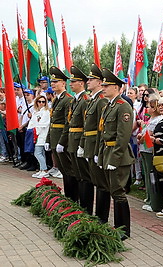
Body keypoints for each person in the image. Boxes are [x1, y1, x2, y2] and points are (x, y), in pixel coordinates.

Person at [97, 68, 134, 240]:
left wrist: (115, 157)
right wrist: (100, 154)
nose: (103, 87)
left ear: (117, 87)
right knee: (111, 189)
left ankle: (123, 230)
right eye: (103, 85)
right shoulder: (109, 106)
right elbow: (103, 133)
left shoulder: (123, 106)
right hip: (107, 151)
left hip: (117, 154)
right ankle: (117, 226)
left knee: (118, 191)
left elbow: (123, 135)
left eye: (107, 85)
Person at [83, 63, 110, 223]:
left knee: (101, 184)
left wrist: (99, 150)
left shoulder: (101, 101)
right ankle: (96, 214)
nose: (88, 81)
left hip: (96, 146)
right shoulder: (94, 100)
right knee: (95, 181)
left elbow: (102, 128)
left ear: (99, 82)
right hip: (89, 144)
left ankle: (102, 217)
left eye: (91, 79)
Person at [45, 66, 76, 201]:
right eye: (52, 82)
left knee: (68, 170)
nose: (53, 85)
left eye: (55, 82)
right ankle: (68, 195)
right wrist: (48, 139)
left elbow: (67, 122)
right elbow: (52, 122)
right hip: (54, 137)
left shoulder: (67, 99)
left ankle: (72, 197)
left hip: (62, 140)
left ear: (63, 83)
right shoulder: (56, 99)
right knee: (63, 170)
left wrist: (62, 142)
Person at [68, 66, 93, 214]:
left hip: (80, 140)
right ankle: (77, 204)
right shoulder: (76, 100)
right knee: (76, 175)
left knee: (84, 176)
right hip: (73, 139)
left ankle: (86, 208)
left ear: (81, 84)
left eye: (73, 82)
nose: (70, 84)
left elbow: (86, 124)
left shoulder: (84, 100)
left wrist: (82, 144)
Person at [137, 95, 163, 212]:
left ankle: (152, 200)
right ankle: (149, 198)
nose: (147, 108)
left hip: (149, 149)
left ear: (153, 108)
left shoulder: (156, 120)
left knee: (150, 175)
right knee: (147, 174)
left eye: (149, 106)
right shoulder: (151, 120)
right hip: (144, 149)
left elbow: (148, 136)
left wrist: (141, 138)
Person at [30, 95, 51, 178]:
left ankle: (44, 169)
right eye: (40, 101)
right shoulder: (36, 112)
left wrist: (36, 129)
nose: (41, 103)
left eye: (43, 102)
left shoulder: (46, 112)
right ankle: (41, 169)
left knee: (37, 153)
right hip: (36, 134)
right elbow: (32, 122)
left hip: (42, 134)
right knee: (41, 153)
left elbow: (44, 124)